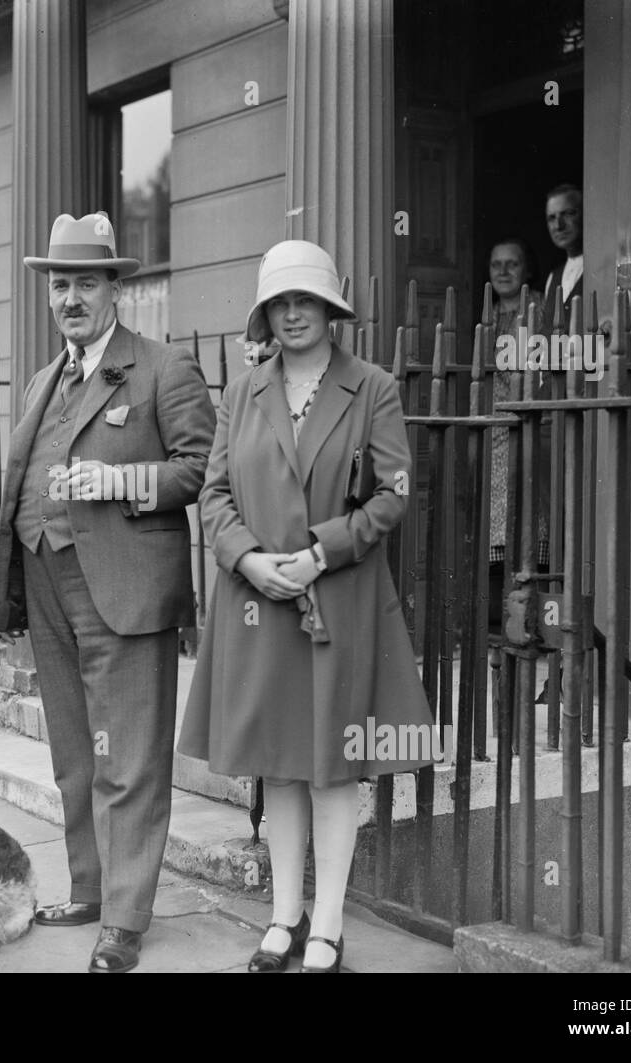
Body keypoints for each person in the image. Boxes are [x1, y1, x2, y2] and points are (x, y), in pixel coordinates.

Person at [177, 239, 434, 973]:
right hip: (259, 604)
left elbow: (395, 493)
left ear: (330, 309)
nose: (293, 313)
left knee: (334, 766)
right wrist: (250, 559)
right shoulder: (241, 390)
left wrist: (322, 551)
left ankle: (327, 924)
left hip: (340, 600)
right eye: (280, 302)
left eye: (306, 300)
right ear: (266, 314)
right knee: (279, 765)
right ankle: (283, 916)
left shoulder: (373, 387)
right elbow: (214, 492)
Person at [0, 212, 215, 973]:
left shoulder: (162, 367)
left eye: (86, 281)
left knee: (129, 757)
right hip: (43, 575)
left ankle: (124, 916)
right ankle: (89, 887)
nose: (71, 297)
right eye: (60, 284)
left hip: (121, 584)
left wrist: (125, 480)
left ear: (115, 288)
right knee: (73, 755)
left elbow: (202, 467)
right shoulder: (41, 379)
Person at [485, 237, 548, 629]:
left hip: (533, 426)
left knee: (533, 519)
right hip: (492, 433)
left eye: (513, 264)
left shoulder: (542, 309)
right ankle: (499, 624)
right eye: (497, 265)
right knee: (494, 527)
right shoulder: (485, 317)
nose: (504, 272)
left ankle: (535, 619)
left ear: (526, 268)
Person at [542, 183, 583, 322]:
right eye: (552, 218)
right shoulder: (553, 277)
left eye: (568, 214)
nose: (559, 226)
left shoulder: (602, 270)